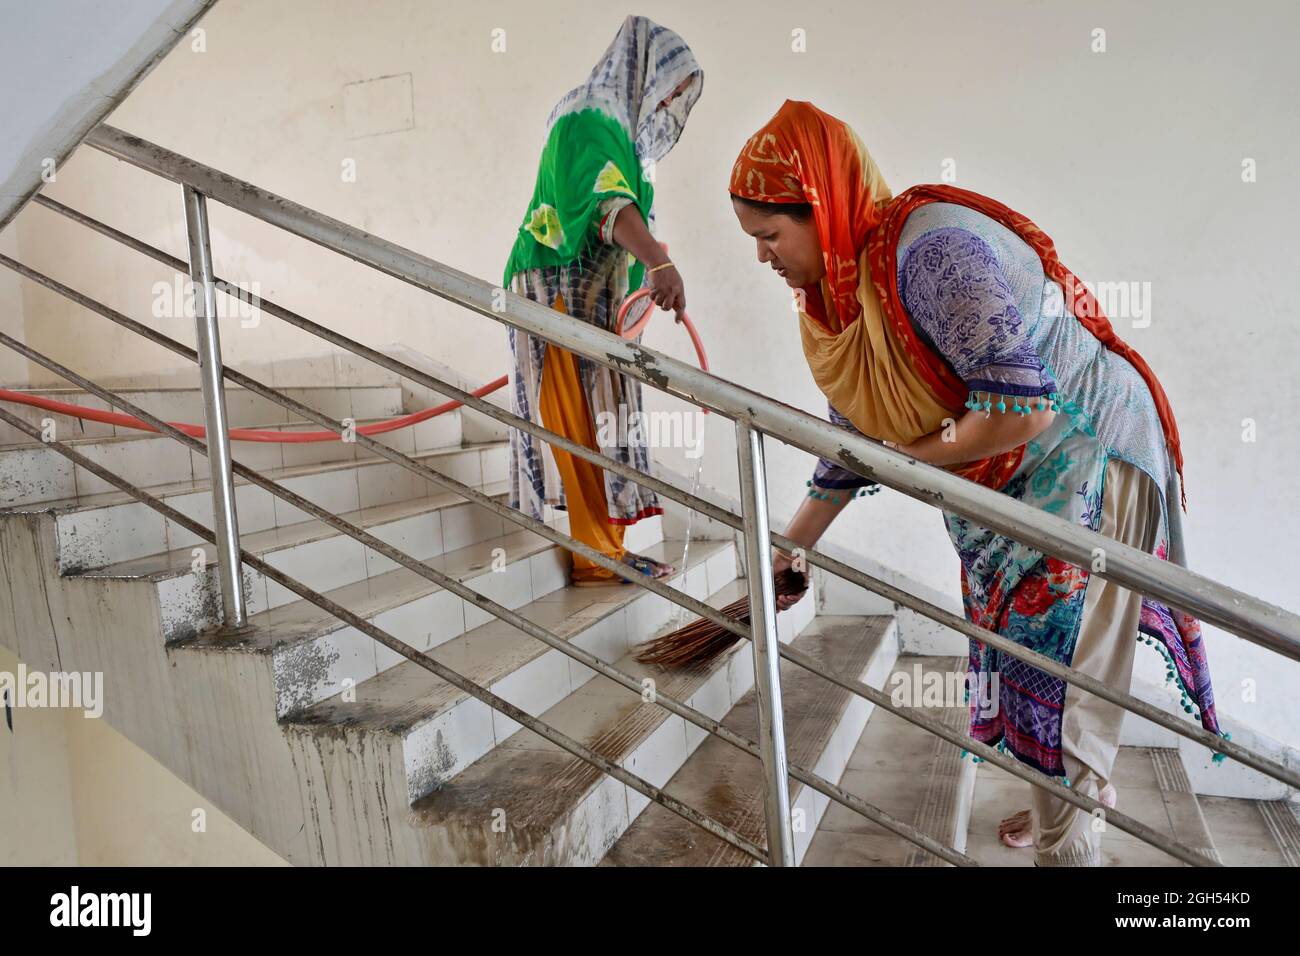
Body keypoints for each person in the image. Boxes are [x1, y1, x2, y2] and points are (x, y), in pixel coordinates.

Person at [728, 99, 1225, 866]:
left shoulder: (932, 258)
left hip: (1086, 449)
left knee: (1063, 653)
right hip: (1009, 476)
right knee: (1022, 644)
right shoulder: (844, 299)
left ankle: (1070, 837)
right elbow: (855, 436)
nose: (763, 256)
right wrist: (792, 545)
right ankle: (1065, 794)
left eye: (769, 235)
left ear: (820, 207)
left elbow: (1021, 409)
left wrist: (910, 464)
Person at [504, 15, 702, 587]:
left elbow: (628, 213)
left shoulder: (626, 139)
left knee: (605, 416)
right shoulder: (587, 111)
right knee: (574, 416)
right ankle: (595, 553)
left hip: (594, 295)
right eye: (668, 90)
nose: (669, 106)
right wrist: (661, 264)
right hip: (552, 286)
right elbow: (601, 199)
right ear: (645, 73)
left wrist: (645, 286)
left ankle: (609, 544)